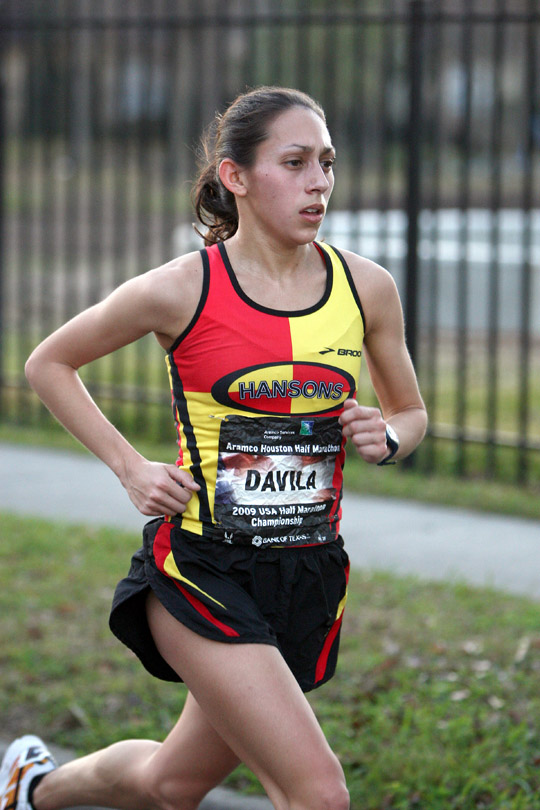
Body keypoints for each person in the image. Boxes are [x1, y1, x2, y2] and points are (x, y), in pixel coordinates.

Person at [0, 86, 427, 810]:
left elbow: (410, 413)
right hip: (202, 567)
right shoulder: (180, 289)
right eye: (294, 163)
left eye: (326, 161)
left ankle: (32, 786)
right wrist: (130, 467)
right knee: (319, 793)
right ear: (236, 176)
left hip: (306, 574)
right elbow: (49, 362)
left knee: (170, 783)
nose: (319, 181)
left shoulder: (367, 288)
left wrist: (383, 437)